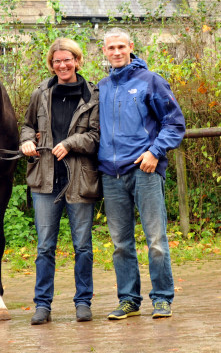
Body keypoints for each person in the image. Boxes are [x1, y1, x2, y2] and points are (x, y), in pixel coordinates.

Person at [97, 28, 185, 320]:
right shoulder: (102, 87)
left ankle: (161, 298)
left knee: (156, 240)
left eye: (122, 46)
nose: (117, 52)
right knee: (121, 244)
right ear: (105, 51)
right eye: (111, 48)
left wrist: (154, 152)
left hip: (144, 170)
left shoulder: (151, 81)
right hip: (111, 174)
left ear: (131, 47)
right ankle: (128, 301)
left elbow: (174, 123)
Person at [20, 37, 100, 325]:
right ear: (51, 65)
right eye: (57, 61)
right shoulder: (41, 92)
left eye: (68, 59)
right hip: (45, 180)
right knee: (44, 247)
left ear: (78, 61)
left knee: (83, 246)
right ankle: (42, 305)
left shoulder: (94, 95)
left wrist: (71, 142)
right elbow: (28, 126)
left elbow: (96, 137)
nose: (63, 65)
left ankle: (83, 302)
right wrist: (27, 141)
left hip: (80, 181)